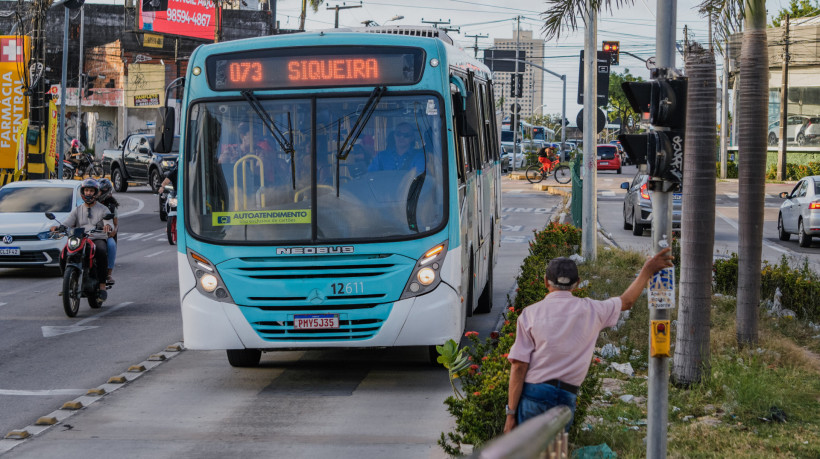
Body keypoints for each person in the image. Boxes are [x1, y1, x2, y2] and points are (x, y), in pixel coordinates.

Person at [504, 248, 675, 433]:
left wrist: (511, 414)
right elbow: (627, 302)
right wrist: (647, 270)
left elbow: (519, 366)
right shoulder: (592, 310)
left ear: (546, 281)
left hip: (534, 394)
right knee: (556, 451)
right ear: (577, 283)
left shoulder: (529, 314)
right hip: (565, 396)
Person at [51, 179, 114, 301]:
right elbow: (67, 223)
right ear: (82, 192)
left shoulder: (103, 209)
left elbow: (108, 222)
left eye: (91, 191)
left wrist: (107, 226)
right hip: (80, 239)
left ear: (96, 193)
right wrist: (58, 227)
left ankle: (102, 286)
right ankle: (67, 283)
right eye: (86, 190)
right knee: (64, 254)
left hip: (96, 238)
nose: (88, 193)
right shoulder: (78, 209)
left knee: (101, 251)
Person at [97, 178, 119, 286]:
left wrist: (112, 231)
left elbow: (115, 223)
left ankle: (108, 273)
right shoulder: (87, 203)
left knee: (111, 245)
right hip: (90, 233)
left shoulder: (110, 206)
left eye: (100, 191)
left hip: (104, 234)